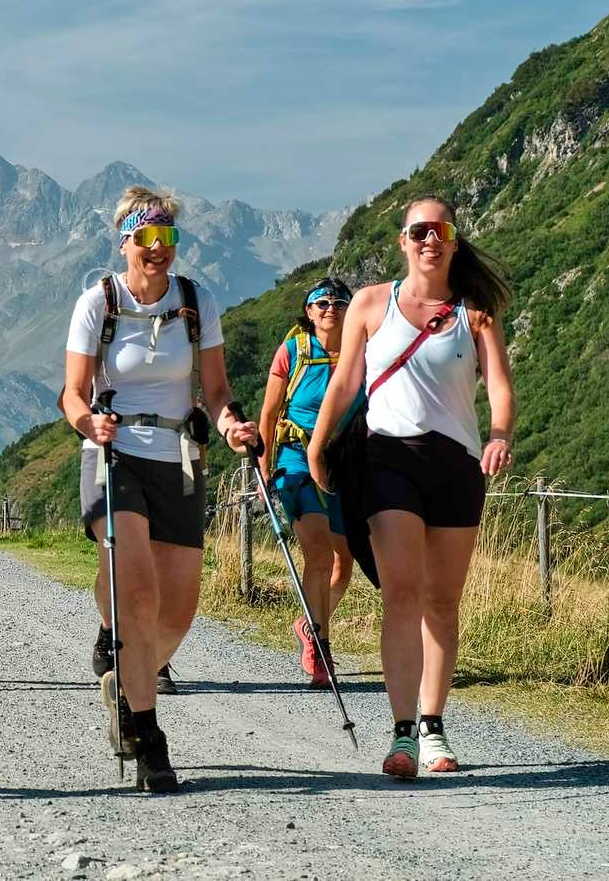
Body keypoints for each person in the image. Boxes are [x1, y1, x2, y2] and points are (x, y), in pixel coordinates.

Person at [308, 194, 514, 780]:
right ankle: (402, 733)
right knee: (402, 592)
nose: (429, 240)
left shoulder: (475, 313)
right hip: (387, 459)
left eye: (439, 231)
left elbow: (499, 385)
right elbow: (345, 382)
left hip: (457, 465)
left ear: (453, 241)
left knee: (441, 602)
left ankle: (432, 726)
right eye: (419, 231)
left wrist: (499, 435)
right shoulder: (372, 304)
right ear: (403, 241)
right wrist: (319, 445)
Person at [61, 187, 257, 791]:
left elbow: (216, 391)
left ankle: (124, 673)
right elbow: (72, 394)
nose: (159, 247)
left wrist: (230, 426)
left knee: (178, 610)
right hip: (113, 454)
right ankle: (147, 734)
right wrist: (88, 423)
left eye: (168, 236)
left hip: (179, 456)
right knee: (139, 592)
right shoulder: (98, 302)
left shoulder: (196, 302)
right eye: (146, 236)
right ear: (124, 241)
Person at [255, 277, 359, 689]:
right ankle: (320, 646)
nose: (331, 309)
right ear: (309, 311)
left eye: (339, 303)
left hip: (341, 464)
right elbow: (268, 413)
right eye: (322, 303)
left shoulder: (361, 351)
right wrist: (264, 469)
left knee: (343, 563)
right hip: (295, 460)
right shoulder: (294, 351)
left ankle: (309, 623)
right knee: (319, 553)